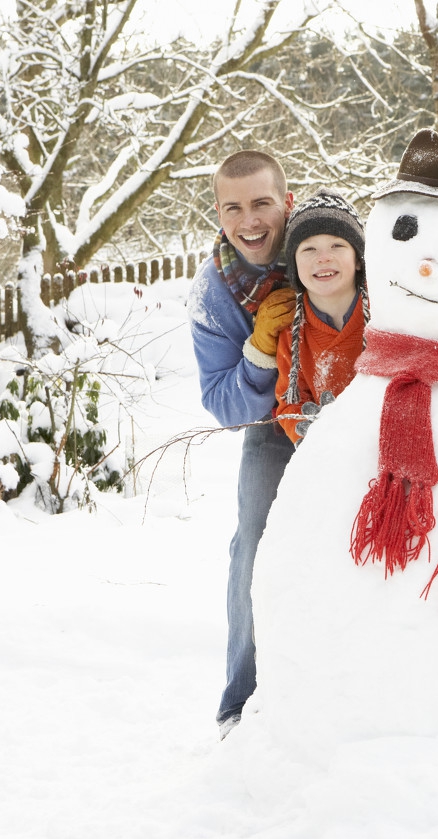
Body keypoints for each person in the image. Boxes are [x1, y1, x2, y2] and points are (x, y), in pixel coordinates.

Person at [188, 150, 296, 739]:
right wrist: (260, 347)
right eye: (234, 207)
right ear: (219, 211)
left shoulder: (329, 243)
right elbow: (226, 406)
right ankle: (240, 697)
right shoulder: (215, 293)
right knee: (255, 542)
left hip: (350, 412)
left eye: (261, 203)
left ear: (285, 199)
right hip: (273, 426)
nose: (249, 221)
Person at [273, 189, 368, 444]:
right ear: (294, 265)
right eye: (309, 249)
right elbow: (289, 404)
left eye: (337, 245)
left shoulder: (386, 313)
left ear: (358, 260)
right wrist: (310, 435)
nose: (323, 257)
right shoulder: (292, 335)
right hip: (331, 455)